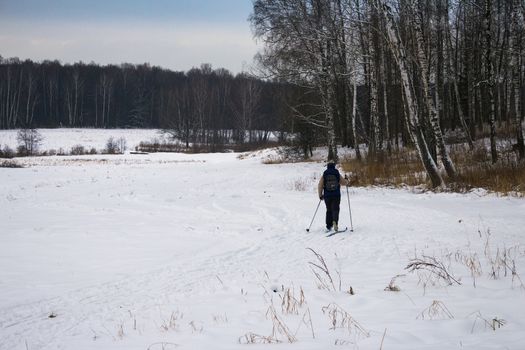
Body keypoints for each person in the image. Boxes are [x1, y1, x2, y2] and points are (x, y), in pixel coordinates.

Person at [317, 160, 349, 232]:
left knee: (329, 210)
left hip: (327, 196)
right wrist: (347, 180)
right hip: (336, 195)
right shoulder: (336, 172)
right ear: (334, 165)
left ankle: (329, 226)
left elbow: (320, 185)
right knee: (335, 209)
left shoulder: (325, 173)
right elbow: (343, 182)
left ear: (328, 165)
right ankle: (335, 222)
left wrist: (320, 195)